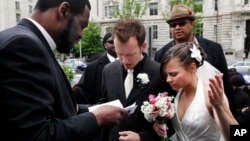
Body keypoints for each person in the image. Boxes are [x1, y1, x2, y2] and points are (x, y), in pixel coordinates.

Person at [0, 0, 128, 141]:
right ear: (64, 11)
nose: (81, 35)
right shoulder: (23, 46)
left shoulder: (21, 39)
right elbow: (37, 134)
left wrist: (90, 110)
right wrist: (96, 118)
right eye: (82, 25)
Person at [154, 4, 236, 117]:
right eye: (173, 25)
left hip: (214, 112)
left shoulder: (214, 48)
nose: (177, 27)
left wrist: (234, 117)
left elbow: (225, 84)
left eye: (182, 23)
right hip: (178, 116)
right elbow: (160, 90)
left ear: (192, 23)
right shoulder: (161, 54)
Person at [100, 19, 174, 141]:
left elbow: (172, 121)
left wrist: (142, 137)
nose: (125, 61)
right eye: (119, 54)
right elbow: (103, 106)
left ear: (143, 46)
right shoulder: (107, 71)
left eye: (130, 55)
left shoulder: (160, 73)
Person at [153, 43, 238, 141]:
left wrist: (220, 108)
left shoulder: (210, 95)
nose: (168, 79)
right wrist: (160, 124)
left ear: (192, 68)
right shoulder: (177, 95)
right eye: (166, 75)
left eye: (173, 74)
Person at [73, 32, 117, 104]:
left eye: (118, 41)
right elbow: (83, 93)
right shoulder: (92, 68)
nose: (115, 44)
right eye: (111, 42)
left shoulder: (129, 64)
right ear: (105, 45)